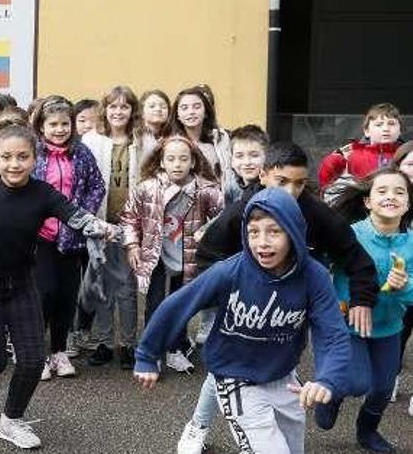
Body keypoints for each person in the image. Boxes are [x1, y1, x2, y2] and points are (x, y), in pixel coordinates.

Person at [180, 141, 380, 452]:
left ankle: (274, 419)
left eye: (299, 183)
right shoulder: (240, 213)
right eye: (281, 181)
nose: (290, 191)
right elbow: (207, 254)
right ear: (263, 176)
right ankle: (198, 426)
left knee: (277, 370)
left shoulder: (317, 214)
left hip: (287, 306)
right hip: (239, 307)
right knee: (226, 369)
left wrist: (363, 297)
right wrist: (225, 294)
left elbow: (354, 254)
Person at [0, 120, 115, 450]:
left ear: (35, 159)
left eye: (22, 157)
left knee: (33, 360)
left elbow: (73, 214)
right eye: (7, 157)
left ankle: (10, 421)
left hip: (21, 284)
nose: (14, 164)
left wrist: (101, 226)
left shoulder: (43, 193)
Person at [134, 188, 352, 454]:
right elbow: (177, 305)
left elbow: (332, 333)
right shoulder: (229, 271)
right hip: (235, 377)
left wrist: (327, 379)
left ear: (294, 232)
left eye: (274, 231)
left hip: (283, 376)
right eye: (253, 232)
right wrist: (147, 354)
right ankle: (197, 427)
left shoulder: (313, 276)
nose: (262, 242)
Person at [312, 169, 413, 451]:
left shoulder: (412, 244)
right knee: (356, 382)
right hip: (347, 325)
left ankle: (366, 432)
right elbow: (319, 265)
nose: (391, 196)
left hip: (389, 327)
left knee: (382, 388)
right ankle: (332, 394)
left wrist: (404, 286)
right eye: (382, 191)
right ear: (368, 201)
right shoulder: (349, 235)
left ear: (408, 203)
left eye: (399, 192)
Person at [120, 136, 224, 374]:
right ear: (161, 162)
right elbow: (129, 217)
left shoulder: (205, 190)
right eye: (171, 159)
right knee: (155, 305)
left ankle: (175, 349)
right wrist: (132, 245)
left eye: (183, 159)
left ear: (193, 162)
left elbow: (223, 217)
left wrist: (205, 232)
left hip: (188, 257)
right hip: (155, 255)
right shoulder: (147, 188)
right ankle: (152, 351)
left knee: (182, 304)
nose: (177, 164)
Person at [28, 96, 106, 378]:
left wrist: (81, 215)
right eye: (53, 124)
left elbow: (97, 185)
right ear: (41, 126)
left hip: (72, 238)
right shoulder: (34, 153)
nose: (59, 130)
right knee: (44, 293)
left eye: (65, 124)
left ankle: (59, 352)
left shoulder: (81, 153)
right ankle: (37, 354)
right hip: (41, 236)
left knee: (66, 296)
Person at [80, 86, 154, 368]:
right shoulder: (92, 139)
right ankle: (104, 342)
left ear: (132, 110)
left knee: (126, 285)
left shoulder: (144, 140)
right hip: (100, 222)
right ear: (105, 110)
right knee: (101, 283)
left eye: (124, 107)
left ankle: (128, 344)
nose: (118, 112)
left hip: (131, 225)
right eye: (113, 107)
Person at [318, 102, 403, 198]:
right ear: (366, 131)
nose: (386, 128)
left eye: (391, 124)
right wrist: (333, 160)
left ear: (400, 130)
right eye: (379, 125)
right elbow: (326, 184)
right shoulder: (350, 153)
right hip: (359, 207)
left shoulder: (407, 154)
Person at [388, 141, 413, 416]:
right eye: (410, 164)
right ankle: (390, 377)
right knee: (400, 331)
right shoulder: (390, 194)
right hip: (399, 278)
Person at [165, 85, 231, 182]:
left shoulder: (220, 139)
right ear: (177, 115)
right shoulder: (169, 144)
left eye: (196, 107)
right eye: (184, 108)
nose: (191, 112)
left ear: (206, 112)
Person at [226, 125, 269, 205]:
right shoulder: (231, 189)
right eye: (239, 156)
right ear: (232, 161)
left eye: (254, 155)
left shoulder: (270, 190)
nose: (247, 162)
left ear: (267, 157)